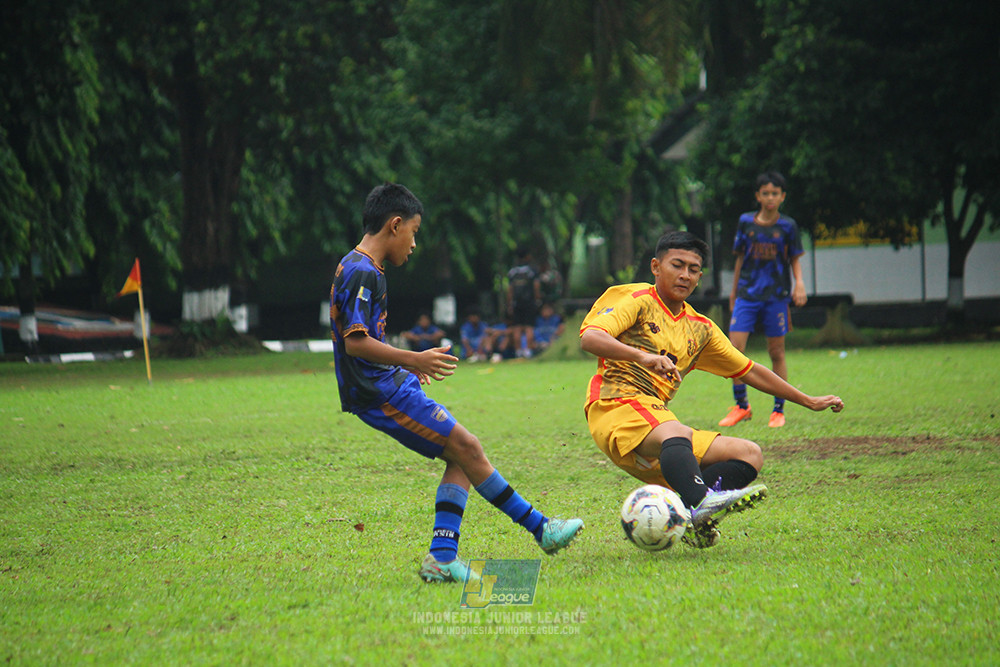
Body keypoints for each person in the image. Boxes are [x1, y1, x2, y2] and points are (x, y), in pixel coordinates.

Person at [330, 183, 583, 583]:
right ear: (395, 225)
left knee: (461, 455)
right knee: (467, 447)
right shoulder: (361, 271)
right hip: (378, 393)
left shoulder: (363, 267)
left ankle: (443, 558)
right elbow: (356, 343)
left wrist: (404, 368)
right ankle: (541, 529)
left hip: (388, 384)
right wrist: (414, 357)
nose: (414, 243)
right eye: (413, 232)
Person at [579, 230, 843, 548]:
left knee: (749, 454)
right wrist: (644, 357)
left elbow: (749, 370)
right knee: (674, 432)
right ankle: (702, 502)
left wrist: (807, 400)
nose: (685, 275)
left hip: (656, 422)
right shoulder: (635, 300)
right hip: (615, 404)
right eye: (677, 265)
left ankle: (689, 515)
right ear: (656, 267)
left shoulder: (700, 328)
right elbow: (591, 338)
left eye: (693, 269)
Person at [719, 171, 807, 428]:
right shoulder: (746, 222)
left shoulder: (788, 226)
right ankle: (741, 406)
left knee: (776, 351)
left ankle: (778, 410)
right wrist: (734, 294)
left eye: (775, 193)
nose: (770, 198)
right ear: (758, 196)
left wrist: (799, 283)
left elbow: (794, 258)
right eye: (765, 193)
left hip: (776, 297)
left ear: (782, 197)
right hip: (747, 295)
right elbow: (739, 258)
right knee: (734, 351)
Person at [506, 246, 539, 358]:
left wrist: (510, 304)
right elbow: (536, 286)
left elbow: (510, 289)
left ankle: (518, 351)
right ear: (527, 256)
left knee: (517, 327)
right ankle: (528, 351)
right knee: (529, 327)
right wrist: (537, 299)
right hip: (529, 302)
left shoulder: (512, 272)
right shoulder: (531, 270)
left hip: (516, 303)